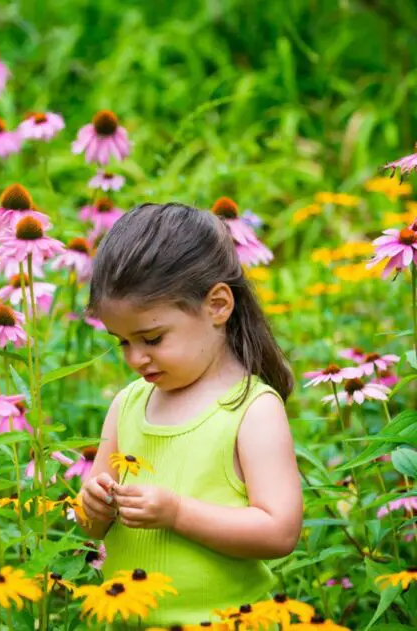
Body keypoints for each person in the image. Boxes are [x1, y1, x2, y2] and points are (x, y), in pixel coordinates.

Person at [76, 202, 303, 625]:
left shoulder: (250, 410)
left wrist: (178, 514)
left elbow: (280, 531)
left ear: (217, 305)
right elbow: (90, 526)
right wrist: (93, 506)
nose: (136, 358)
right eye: (122, 342)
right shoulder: (128, 404)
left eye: (152, 338)